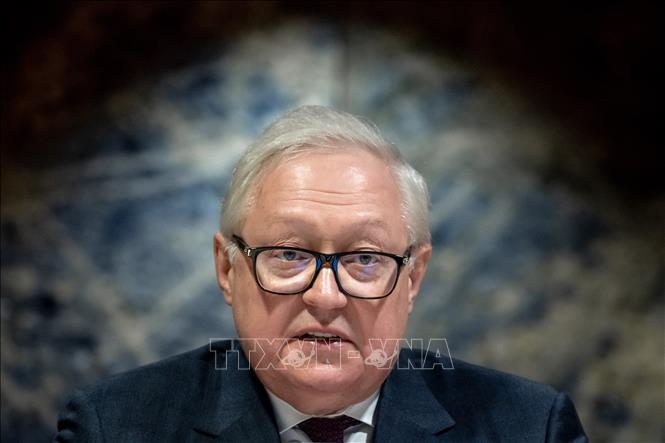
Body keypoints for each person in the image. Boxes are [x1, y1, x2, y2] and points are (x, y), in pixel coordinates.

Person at [54, 106, 588, 442]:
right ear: (227, 268)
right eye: (290, 254)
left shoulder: (530, 427)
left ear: (413, 278)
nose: (327, 297)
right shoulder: (113, 427)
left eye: (365, 259)